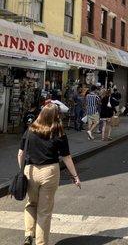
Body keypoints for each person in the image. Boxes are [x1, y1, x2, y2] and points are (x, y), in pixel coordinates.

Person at [18, 103, 80, 245]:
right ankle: (41, 243)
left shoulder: (30, 130)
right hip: (50, 172)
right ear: (56, 116)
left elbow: (21, 153)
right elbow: (67, 157)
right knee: (44, 211)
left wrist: (22, 171)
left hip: (30, 170)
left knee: (31, 203)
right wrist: (75, 176)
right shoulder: (58, 133)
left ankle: (28, 234)